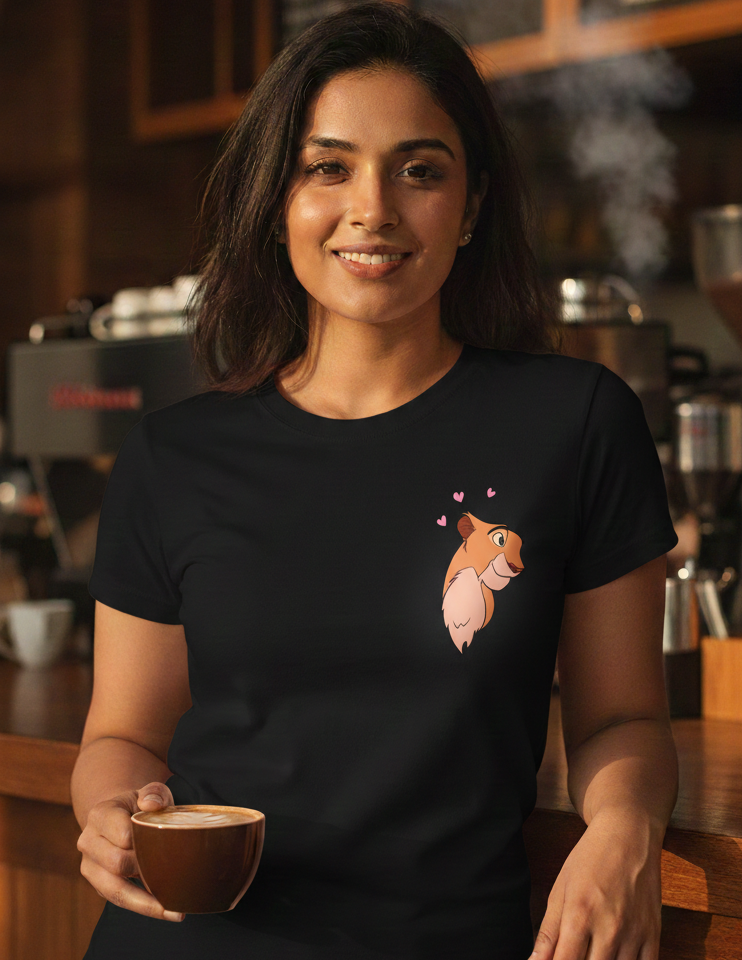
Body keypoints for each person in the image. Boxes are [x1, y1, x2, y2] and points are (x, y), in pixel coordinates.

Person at [72, 4, 679, 959]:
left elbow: (622, 718)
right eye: (329, 167)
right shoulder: (172, 457)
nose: (374, 209)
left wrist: (624, 829)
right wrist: (111, 813)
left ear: (472, 206)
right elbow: (124, 737)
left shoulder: (575, 422)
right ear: (279, 201)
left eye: (420, 170)